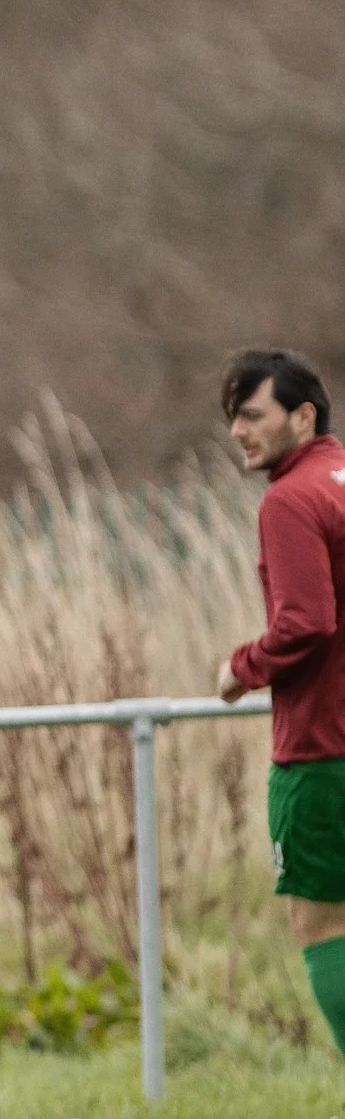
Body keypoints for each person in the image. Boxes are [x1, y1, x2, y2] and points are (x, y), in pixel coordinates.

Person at [216, 348, 345, 1060]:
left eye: (253, 414)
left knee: (321, 925)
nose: (238, 430)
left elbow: (305, 624)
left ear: (304, 415)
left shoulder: (292, 499)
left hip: (324, 751)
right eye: (233, 417)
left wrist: (242, 668)